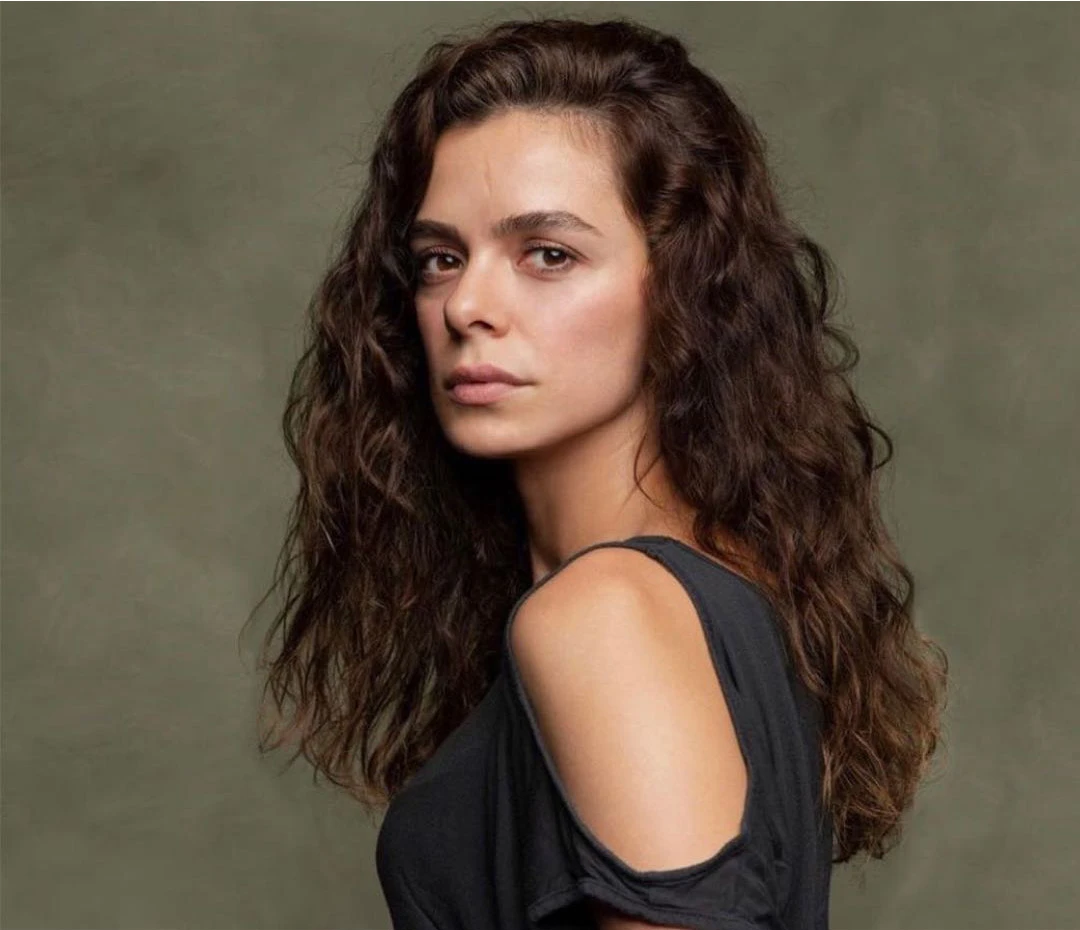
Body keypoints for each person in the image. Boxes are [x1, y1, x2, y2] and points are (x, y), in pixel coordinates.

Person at [245, 16, 949, 930]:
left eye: (549, 254)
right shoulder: (705, 595)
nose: (466, 305)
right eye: (440, 259)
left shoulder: (606, 617)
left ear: (682, 285)